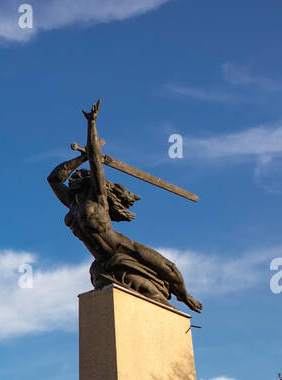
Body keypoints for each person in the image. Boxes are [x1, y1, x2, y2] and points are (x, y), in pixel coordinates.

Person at [48, 101, 202, 312]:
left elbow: (95, 159)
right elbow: (54, 179)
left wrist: (91, 124)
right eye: (74, 176)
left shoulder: (98, 198)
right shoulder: (72, 205)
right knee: (139, 291)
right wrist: (80, 157)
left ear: (89, 181)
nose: (73, 178)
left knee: (168, 268)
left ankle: (185, 296)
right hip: (102, 263)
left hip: (122, 249)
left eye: (80, 175)